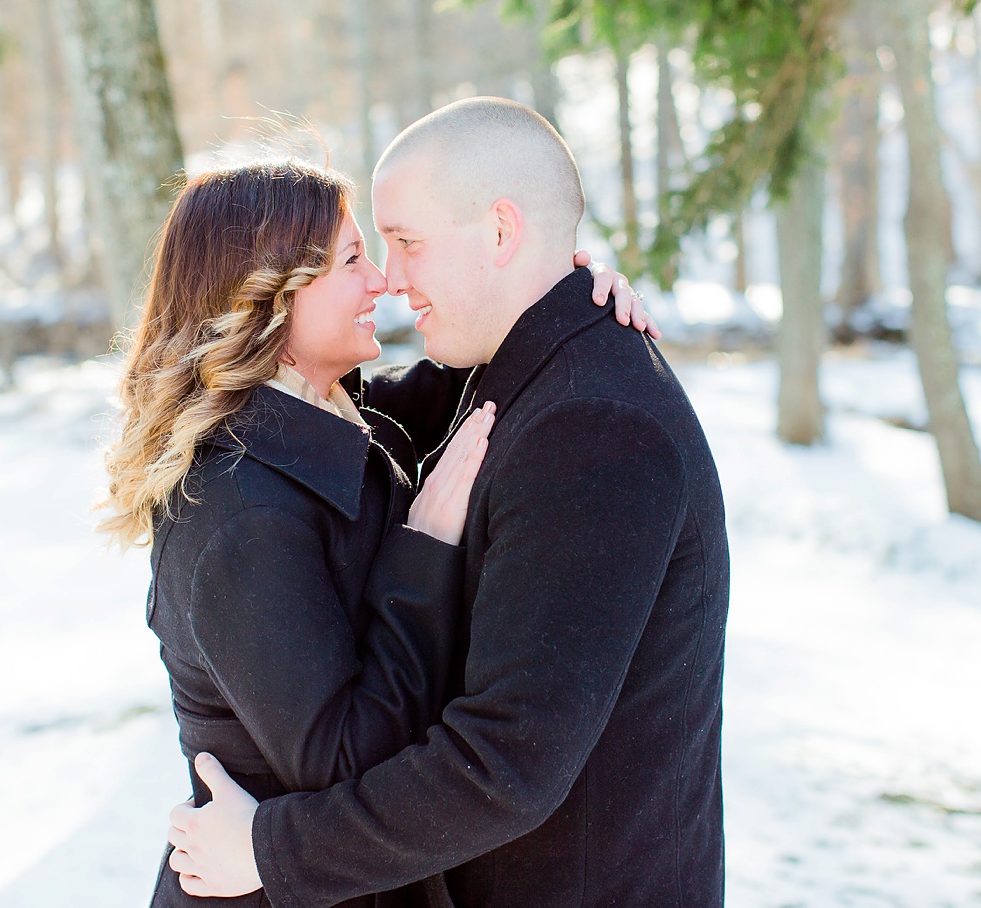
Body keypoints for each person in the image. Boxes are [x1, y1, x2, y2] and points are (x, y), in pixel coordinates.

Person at [165, 98, 730, 908]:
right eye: (366, 252)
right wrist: (569, 284)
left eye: (404, 243)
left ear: (501, 232)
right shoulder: (516, 376)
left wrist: (271, 849)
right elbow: (367, 415)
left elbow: (505, 762)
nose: (389, 278)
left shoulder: (590, 422)